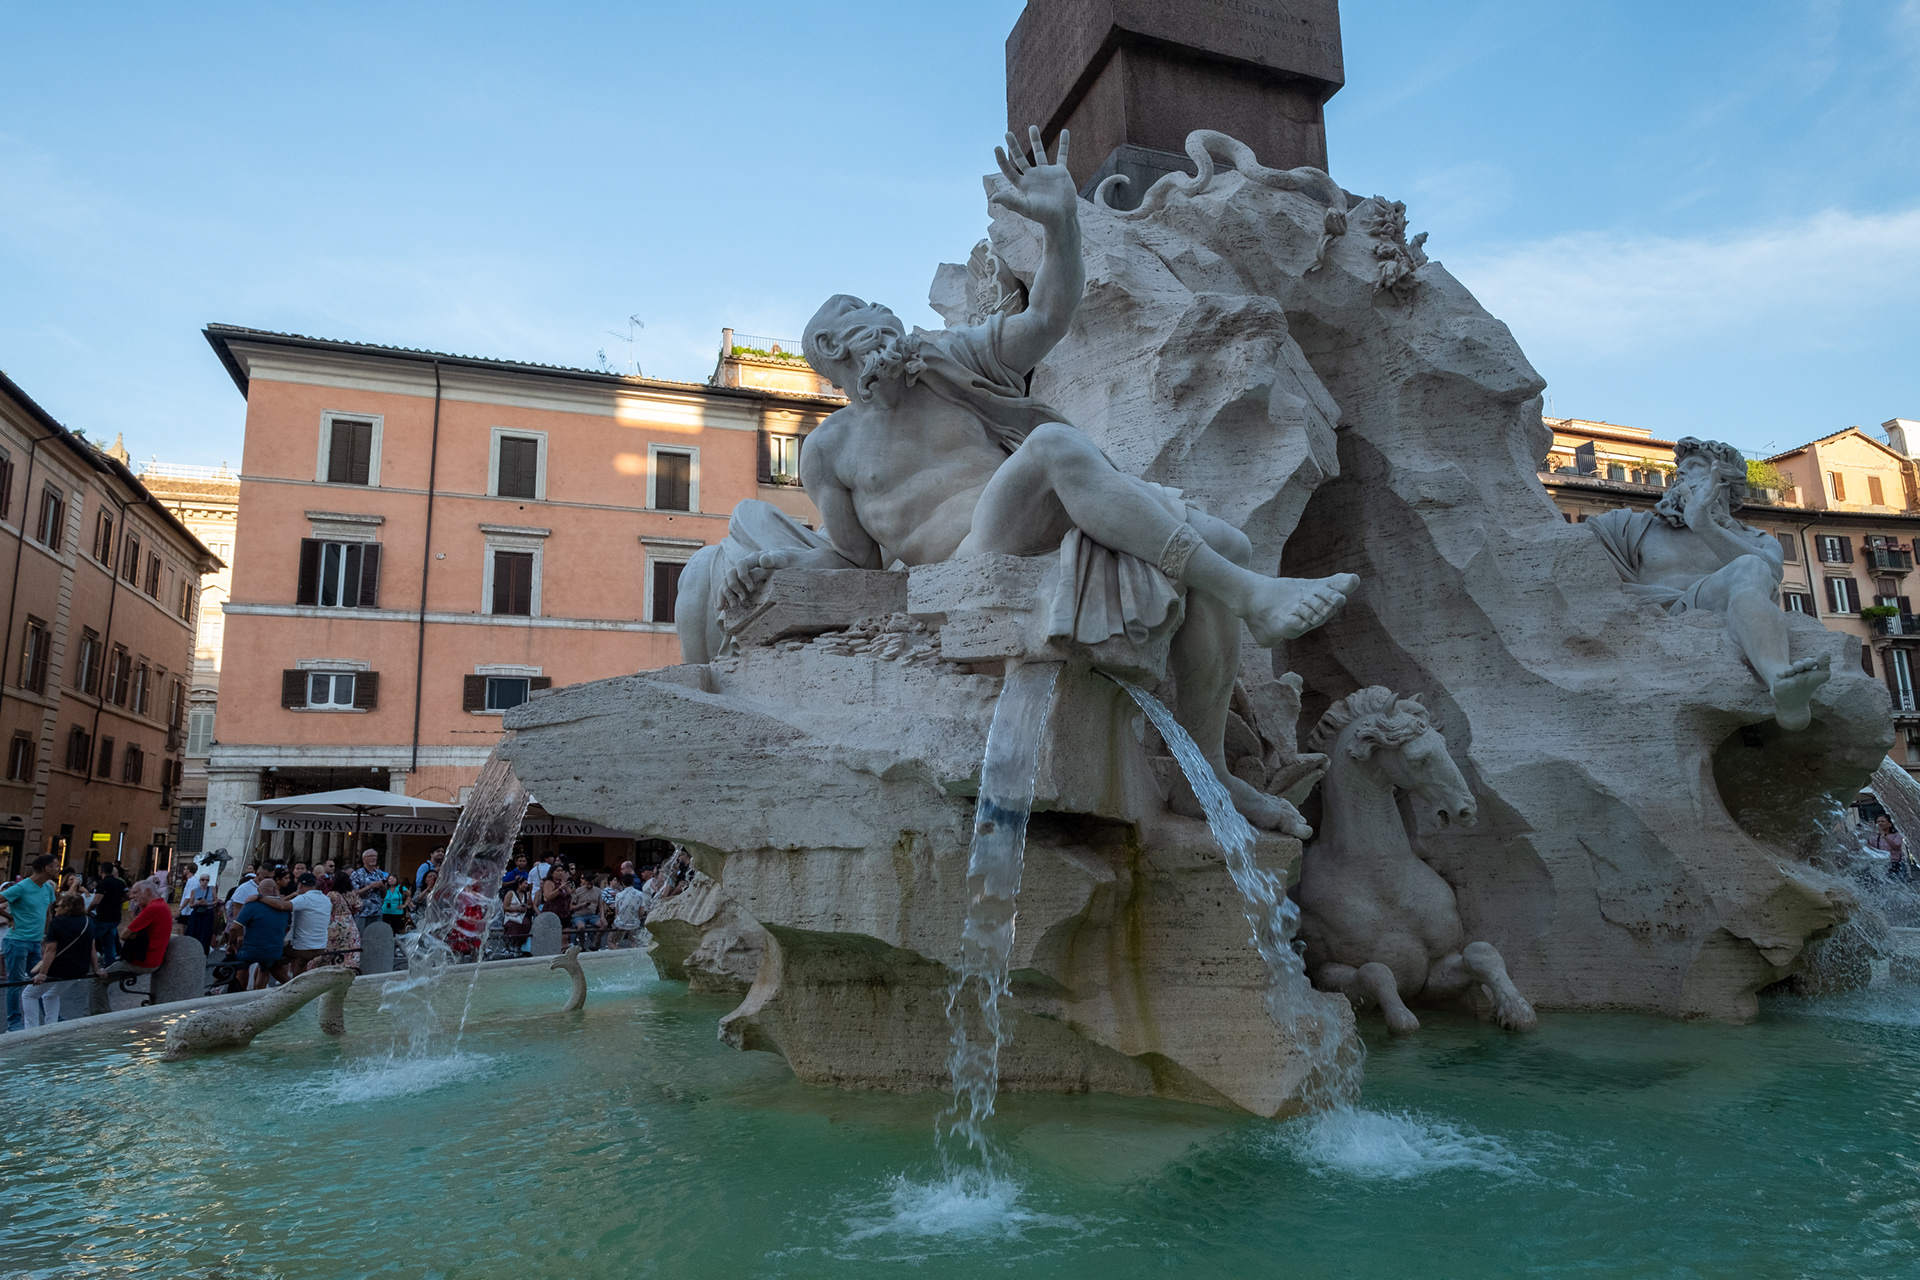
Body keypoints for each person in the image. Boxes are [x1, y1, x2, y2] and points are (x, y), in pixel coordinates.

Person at [678, 130, 1359, 837]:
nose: (881, 319)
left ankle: (1208, 770)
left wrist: (1061, 224)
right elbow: (855, 561)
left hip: (1038, 526)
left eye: (879, 310)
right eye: (859, 317)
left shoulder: (948, 360)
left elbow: (1049, 316)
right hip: (969, 564)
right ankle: (1253, 600)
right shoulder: (829, 450)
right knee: (1055, 448)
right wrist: (768, 564)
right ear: (830, 351)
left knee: (1224, 543)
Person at [89, 881, 174, 1014]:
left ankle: (101, 1015)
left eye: (135, 892)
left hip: (141, 961)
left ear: (148, 891)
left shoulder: (152, 908)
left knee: (96, 980)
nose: (132, 896)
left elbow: (124, 935)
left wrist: (134, 934)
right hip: (153, 958)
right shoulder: (162, 905)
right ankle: (94, 1012)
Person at [3, 855, 59, 1032]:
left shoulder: (47, 888)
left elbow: (48, 913)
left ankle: (48, 1017)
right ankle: (14, 1022)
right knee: (16, 982)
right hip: (16, 940)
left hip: (36, 941)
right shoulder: (21, 887)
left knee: (40, 979)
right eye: (56, 866)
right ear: (46, 868)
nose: (59, 869)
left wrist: (46, 936)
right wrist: (10, 917)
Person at [25, 893, 96, 1026]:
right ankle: (52, 1026)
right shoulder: (88, 921)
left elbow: (51, 950)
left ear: (67, 907)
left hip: (58, 969)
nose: (55, 908)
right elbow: (92, 949)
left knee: (29, 995)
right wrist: (97, 969)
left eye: (58, 906)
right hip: (79, 969)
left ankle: (31, 1029)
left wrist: (42, 973)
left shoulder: (57, 923)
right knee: (50, 995)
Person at [224, 877, 293, 990]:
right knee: (264, 968)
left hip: (251, 951)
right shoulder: (284, 907)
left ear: (259, 891)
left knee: (242, 965)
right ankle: (259, 994)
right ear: (275, 889)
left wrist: (231, 943)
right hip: (274, 951)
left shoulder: (252, 905)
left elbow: (235, 928)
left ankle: (240, 994)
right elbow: (287, 927)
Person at [286, 874, 332, 971]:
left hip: (303, 948)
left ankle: (289, 983)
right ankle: (296, 981)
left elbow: (283, 906)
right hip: (321, 946)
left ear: (299, 885)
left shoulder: (304, 898)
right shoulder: (326, 899)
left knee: (272, 963)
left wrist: (261, 898)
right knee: (300, 963)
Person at [90, 864, 127, 967]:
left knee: (91, 939)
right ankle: (110, 964)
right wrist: (117, 901)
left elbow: (96, 901)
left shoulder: (102, 884)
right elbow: (128, 896)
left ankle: (90, 962)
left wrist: (88, 910)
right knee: (109, 943)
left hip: (103, 916)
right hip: (115, 916)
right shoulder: (120, 883)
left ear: (101, 871)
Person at [325, 871, 362, 971]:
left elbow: (327, 908)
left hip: (333, 924)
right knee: (350, 947)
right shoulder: (353, 894)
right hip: (348, 922)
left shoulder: (331, 895)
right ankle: (348, 967)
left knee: (333, 948)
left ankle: (332, 967)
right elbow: (358, 907)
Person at [180, 872, 220, 949]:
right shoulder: (194, 891)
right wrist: (197, 903)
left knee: (205, 932)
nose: (205, 881)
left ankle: (203, 948)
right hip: (197, 912)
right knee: (193, 931)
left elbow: (216, 900)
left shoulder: (212, 889)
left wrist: (207, 904)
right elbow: (190, 904)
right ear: (200, 880)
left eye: (207, 880)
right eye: (203, 880)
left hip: (207, 912)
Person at [349, 849, 386, 933]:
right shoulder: (357, 874)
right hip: (362, 913)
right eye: (370, 856)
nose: (373, 858)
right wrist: (370, 887)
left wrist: (383, 888)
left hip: (377, 912)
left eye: (375, 856)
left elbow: (383, 895)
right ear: (364, 859)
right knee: (361, 937)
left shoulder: (379, 874)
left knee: (375, 938)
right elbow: (354, 893)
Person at [608, 874, 647, 949]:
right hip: (634, 924)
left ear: (622, 883)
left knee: (611, 941)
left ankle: (617, 954)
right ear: (632, 882)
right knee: (635, 942)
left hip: (620, 923)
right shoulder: (640, 894)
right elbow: (642, 912)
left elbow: (617, 913)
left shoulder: (619, 895)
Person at [569, 876, 603, 950]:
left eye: (591, 884)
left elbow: (600, 905)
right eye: (588, 884)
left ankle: (595, 941)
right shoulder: (578, 891)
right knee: (581, 927)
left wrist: (602, 916)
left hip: (592, 915)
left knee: (604, 924)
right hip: (579, 915)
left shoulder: (598, 891)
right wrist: (582, 905)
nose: (589, 886)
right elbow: (571, 907)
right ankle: (582, 943)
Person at [500, 878, 533, 953]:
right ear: (519, 884)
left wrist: (530, 893)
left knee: (526, 923)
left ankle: (520, 944)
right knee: (512, 925)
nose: (526, 885)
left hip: (521, 915)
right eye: (525, 883)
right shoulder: (510, 893)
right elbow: (505, 907)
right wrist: (516, 909)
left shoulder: (526, 894)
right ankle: (510, 943)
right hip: (510, 915)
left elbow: (530, 906)